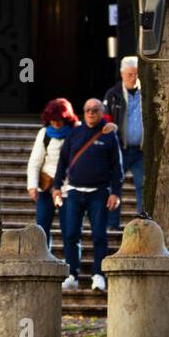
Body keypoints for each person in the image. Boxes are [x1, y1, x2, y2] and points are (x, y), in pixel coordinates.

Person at [52, 99, 123, 291]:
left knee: (99, 235)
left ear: (102, 112)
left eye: (95, 110)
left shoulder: (109, 135)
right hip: (74, 191)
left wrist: (116, 192)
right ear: (83, 112)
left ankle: (98, 274)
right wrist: (57, 186)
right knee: (71, 234)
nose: (91, 113)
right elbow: (63, 161)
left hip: (99, 193)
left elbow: (117, 167)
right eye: (87, 110)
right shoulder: (74, 133)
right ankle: (72, 274)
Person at [27, 98, 77, 251]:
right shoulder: (45, 134)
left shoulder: (77, 132)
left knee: (69, 230)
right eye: (53, 120)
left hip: (67, 189)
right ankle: (44, 259)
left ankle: (71, 268)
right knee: (42, 227)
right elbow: (35, 162)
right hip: (47, 189)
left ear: (66, 118)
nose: (55, 124)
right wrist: (32, 186)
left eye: (59, 120)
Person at [103, 56, 145, 228]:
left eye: (136, 74)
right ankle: (112, 224)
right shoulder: (113, 94)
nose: (133, 78)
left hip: (140, 150)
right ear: (122, 74)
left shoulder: (147, 91)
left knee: (142, 185)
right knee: (114, 185)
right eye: (129, 74)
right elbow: (105, 120)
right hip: (119, 149)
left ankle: (143, 223)